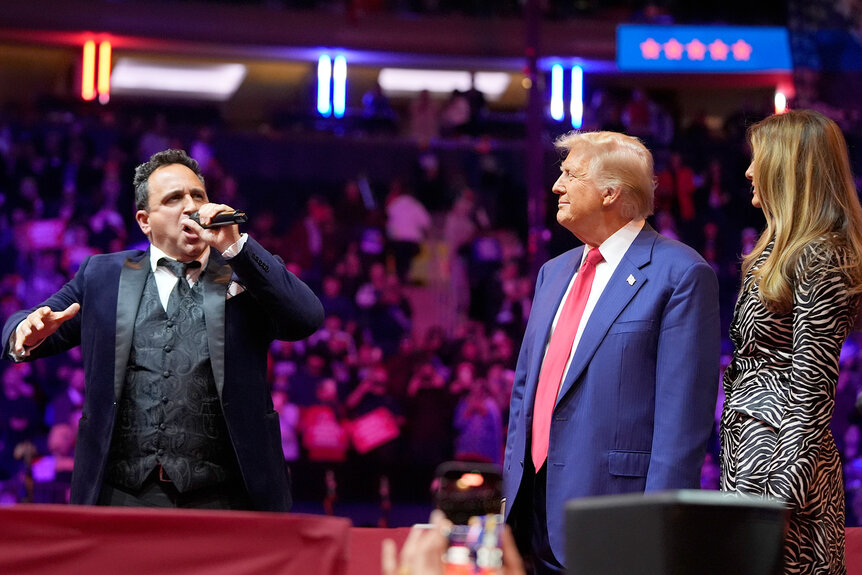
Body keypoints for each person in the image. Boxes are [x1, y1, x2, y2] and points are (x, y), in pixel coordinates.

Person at [2, 149, 324, 511]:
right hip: (121, 495)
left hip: (227, 496)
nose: (191, 206)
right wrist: (21, 332)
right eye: (174, 198)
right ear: (145, 220)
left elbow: (307, 318)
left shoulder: (244, 272)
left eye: (198, 195)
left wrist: (237, 249)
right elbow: (31, 322)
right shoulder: (102, 276)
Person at [503, 131, 720, 573]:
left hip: (616, 524)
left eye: (569, 174)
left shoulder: (680, 274)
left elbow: (682, 426)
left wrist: (658, 534)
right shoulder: (552, 272)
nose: (556, 186)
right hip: (529, 522)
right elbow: (525, 396)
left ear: (610, 192)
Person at [720, 109, 862, 574]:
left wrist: (775, 500)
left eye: (757, 159)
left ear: (788, 168)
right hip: (756, 465)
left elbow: (812, 390)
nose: (747, 172)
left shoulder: (823, 254)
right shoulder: (784, 248)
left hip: (785, 483)